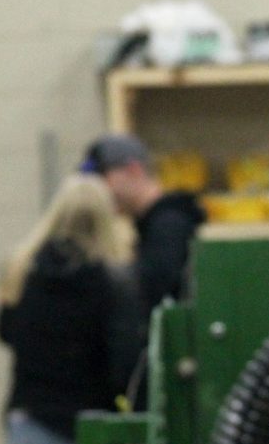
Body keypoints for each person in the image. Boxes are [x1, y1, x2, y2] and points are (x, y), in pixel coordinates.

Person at [0, 174, 140, 444]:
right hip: (87, 437)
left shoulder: (22, 269)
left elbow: (4, 331)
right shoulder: (115, 281)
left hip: (29, 428)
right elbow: (124, 367)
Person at [80, 133, 206, 315]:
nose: (100, 191)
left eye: (103, 179)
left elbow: (155, 295)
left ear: (133, 170)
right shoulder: (155, 224)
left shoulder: (169, 226)